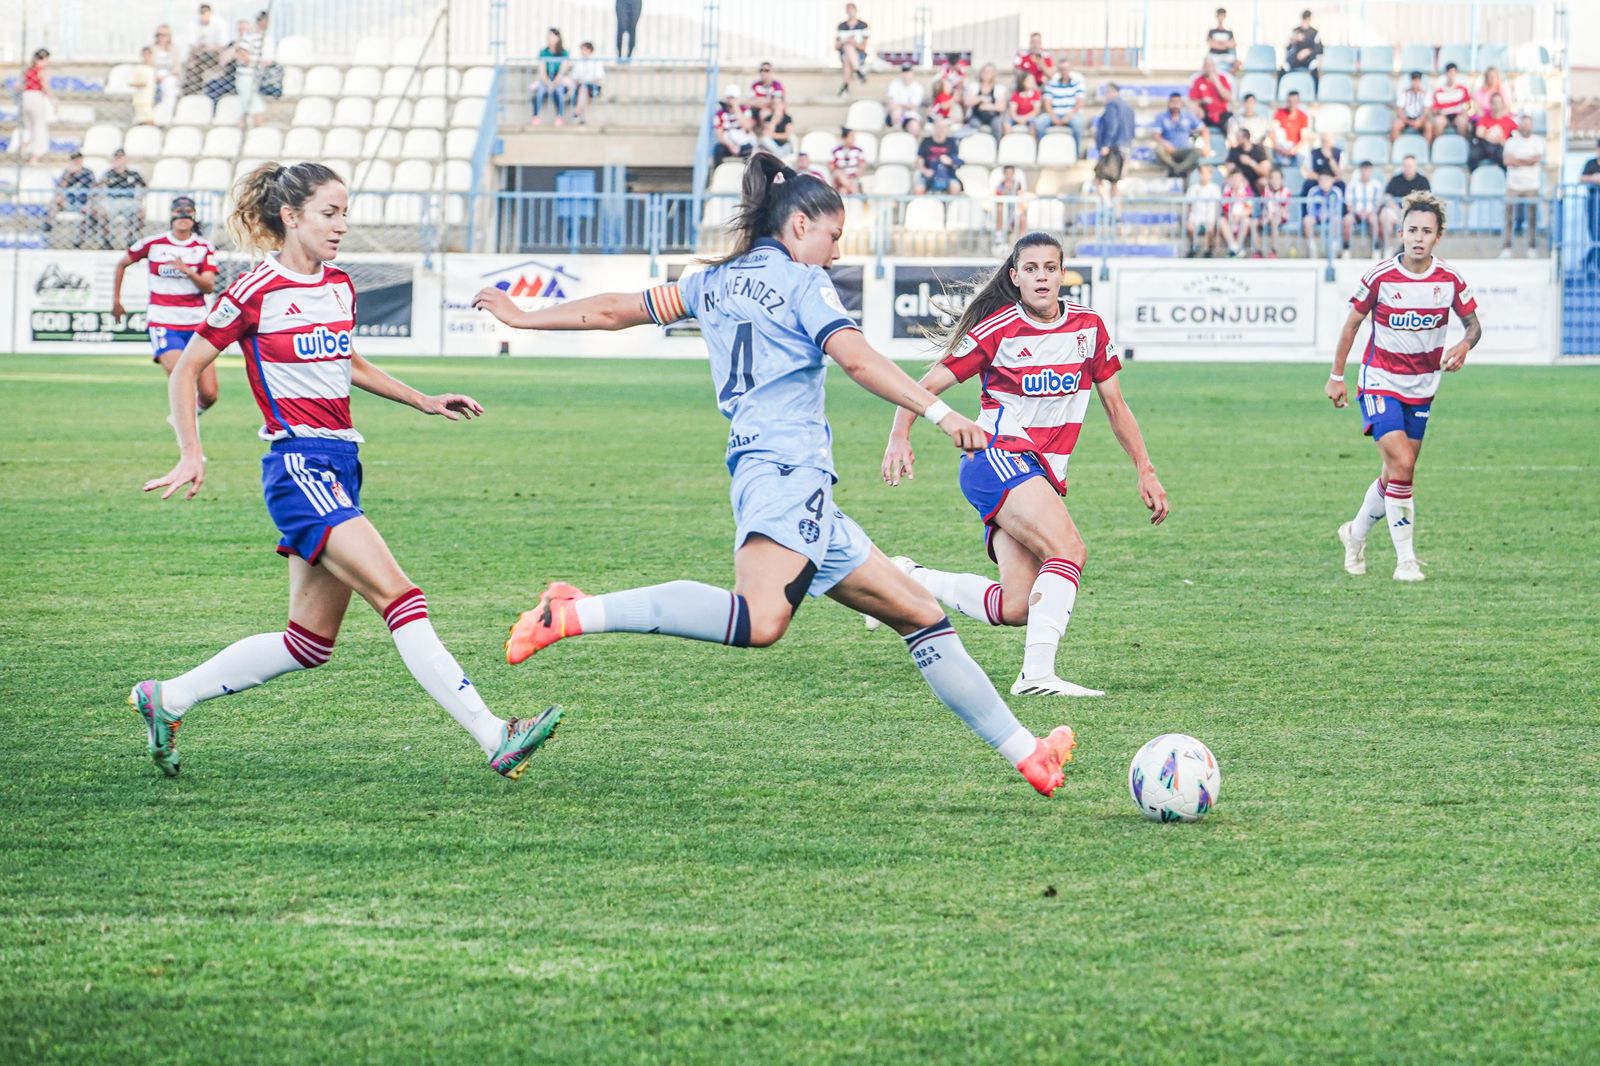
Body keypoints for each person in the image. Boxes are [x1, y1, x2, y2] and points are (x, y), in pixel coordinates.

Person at [474, 152, 1081, 798]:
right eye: (833, 234)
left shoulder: (713, 281)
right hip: (785, 474)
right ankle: (575, 610)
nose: (838, 249)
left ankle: (1028, 754)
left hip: (792, 485)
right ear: (798, 227)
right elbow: (856, 359)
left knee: (920, 613)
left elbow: (614, 311)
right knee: (762, 621)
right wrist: (936, 412)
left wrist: (525, 316)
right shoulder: (801, 282)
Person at [133, 162, 561, 781]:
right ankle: (496, 733)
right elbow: (184, 369)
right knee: (402, 597)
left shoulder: (338, 284)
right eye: (330, 213)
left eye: (345, 213)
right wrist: (190, 451)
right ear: (291, 216)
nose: (342, 225)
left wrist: (423, 399)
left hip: (341, 462)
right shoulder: (252, 292)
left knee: (308, 643)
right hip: (298, 464)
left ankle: (167, 698)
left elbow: (347, 359)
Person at [876, 230, 1168, 696]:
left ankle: (906, 579)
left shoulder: (1089, 329)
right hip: (997, 456)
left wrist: (1145, 469)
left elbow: (1116, 405)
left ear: (1062, 274)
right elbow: (924, 386)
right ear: (1015, 277)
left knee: (1017, 607)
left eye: (1050, 268)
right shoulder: (998, 329)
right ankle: (1036, 677)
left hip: (1038, 472)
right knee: (1069, 550)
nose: (1041, 277)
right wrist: (899, 434)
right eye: (1030, 269)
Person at [1326, 191, 1481, 583]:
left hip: (1423, 385)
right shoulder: (1380, 277)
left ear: (1437, 237)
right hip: (1380, 380)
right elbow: (1352, 324)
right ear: (1400, 232)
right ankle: (1406, 560)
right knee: (1404, 464)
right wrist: (1336, 375)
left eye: (1426, 231)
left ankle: (1355, 533)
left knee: (1397, 471)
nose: (1417, 237)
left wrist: (1464, 345)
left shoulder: (1449, 279)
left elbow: (1474, 325)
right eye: (1411, 229)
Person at [110, 195, 221, 412]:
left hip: (197, 324)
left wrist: (188, 271)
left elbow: (208, 286)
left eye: (188, 210)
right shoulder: (153, 244)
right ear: (171, 215)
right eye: (178, 210)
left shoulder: (203, 247)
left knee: (209, 394)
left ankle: (188, 418)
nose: (183, 214)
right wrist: (116, 300)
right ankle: (186, 432)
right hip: (164, 321)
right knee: (182, 376)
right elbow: (122, 263)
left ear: (194, 215)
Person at [1500, 115, 1544, 257]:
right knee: (1508, 217)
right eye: (1523, 125)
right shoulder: (1511, 142)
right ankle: (1507, 248)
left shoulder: (1538, 141)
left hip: (1532, 185)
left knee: (1532, 218)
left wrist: (1517, 161)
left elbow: (1536, 159)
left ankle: (1532, 248)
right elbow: (1507, 160)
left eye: (1528, 124)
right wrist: (1527, 161)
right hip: (1513, 185)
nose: (1525, 127)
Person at [96, 149, 148, 251]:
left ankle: (130, 237)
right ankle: (106, 240)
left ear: (125, 159)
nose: (118, 160)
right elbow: (98, 186)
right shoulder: (109, 173)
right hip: (112, 201)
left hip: (129, 201)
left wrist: (140, 198)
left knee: (141, 213)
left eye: (121, 157)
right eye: (116, 157)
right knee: (102, 213)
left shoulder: (133, 173)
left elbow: (145, 186)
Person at [1377, 155, 1429, 253]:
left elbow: (1427, 200)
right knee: (1385, 214)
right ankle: (1388, 248)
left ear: (1415, 166)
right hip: (1397, 212)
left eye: (1410, 165)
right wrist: (1396, 209)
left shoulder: (1423, 181)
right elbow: (1387, 196)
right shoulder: (1396, 180)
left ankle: (1414, 250)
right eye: (1406, 165)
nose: (1408, 168)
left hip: (1416, 214)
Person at [1093, 82, 1135, 200]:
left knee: (1099, 179)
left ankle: (1108, 207)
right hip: (1126, 147)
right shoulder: (1128, 107)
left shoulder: (1112, 105)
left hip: (1114, 148)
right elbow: (1132, 130)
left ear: (1112, 92)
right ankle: (1116, 215)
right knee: (1116, 183)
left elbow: (1112, 126)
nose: (1105, 96)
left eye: (1106, 92)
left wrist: (1106, 145)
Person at [1037, 57, 1086, 152]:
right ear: (1058, 70)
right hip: (1054, 113)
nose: (1064, 72)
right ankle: (1044, 151)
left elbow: (1080, 103)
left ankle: (1076, 153)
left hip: (1071, 114)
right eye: (1062, 70)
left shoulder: (1077, 82)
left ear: (1070, 69)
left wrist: (1068, 116)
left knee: (1078, 124)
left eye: (1066, 69)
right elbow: (1047, 104)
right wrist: (1054, 118)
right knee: (1039, 123)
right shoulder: (1052, 82)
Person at [50, 152, 97, 248]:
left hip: (83, 202)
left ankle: (80, 240)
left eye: (78, 159)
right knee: (54, 202)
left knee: (89, 212)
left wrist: (89, 203)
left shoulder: (88, 172)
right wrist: (70, 174)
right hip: (69, 202)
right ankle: (47, 229)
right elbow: (60, 188)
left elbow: (94, 189)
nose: (76, 162)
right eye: (74, 160)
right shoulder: (67, 173)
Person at [1154, 93, 1204, 178]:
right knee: (1158, 150)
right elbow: (1156, 135)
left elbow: (1203, 129)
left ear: (1181, 103)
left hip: (1184, 150)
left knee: (1197, 151)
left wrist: (1206, 144)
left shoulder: (1188, 116)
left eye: (1177, 102)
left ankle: (1177, 169)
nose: (1175, 104)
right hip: (1169, 151)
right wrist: (1165, 143)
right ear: (1168, 103)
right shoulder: (1161, 117)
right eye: (1173, 101)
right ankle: (1176, 168)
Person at [182, 3, 229, 95]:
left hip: (216, 54)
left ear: (210, 13)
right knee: (191, 61)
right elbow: (192, 45)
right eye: (202, 13)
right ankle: (193, 89)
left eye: (206, 13)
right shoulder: (193, 23)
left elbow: (223, 45)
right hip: (199, 54)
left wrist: (210, 47)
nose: (204, 16)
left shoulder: (220, 23)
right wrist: (201, 48)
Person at [18, 49, 54, 166]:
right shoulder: (42, 71)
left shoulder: (28, 71)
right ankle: (34, 157)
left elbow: (18, 85)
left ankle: (24, 148)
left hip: (25, 97)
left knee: (28, 127)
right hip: (36, 97)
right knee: (39, 127)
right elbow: (45, 86)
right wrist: (53, 100)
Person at [1302, 170, 1348, 257]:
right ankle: (1312, 248)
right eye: (1322, 180)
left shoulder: (1337, 192)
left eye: (1327, 180)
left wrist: (1329, 214)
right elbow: (1310, 208)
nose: (1324, 183)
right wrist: (1318, 215)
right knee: (1307, 220)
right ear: (1318, 181)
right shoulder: (1313, 191)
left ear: (1332, 181)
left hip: (1331, 216)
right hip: (1316, 217)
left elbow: (1338, 209)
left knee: (1337, 220)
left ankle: (1334, 247)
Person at [531, 28, 572, 126]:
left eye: (553, 36)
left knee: (559, 91)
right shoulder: (543, 52)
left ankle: (559, 117)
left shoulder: (564, 53)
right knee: (540, 91)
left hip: (558, 80)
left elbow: (562, 71)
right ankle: (535, 116)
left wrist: (554, 84)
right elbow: (542, 70)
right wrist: (547, 83)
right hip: (546, 80)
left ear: (558, 38)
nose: (550, 38)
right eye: (549, 36)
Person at [916, 117, 964, 194]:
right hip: (929, 174)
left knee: (955, 187)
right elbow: (919, 160)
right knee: (918, 189)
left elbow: (956, 161)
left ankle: (949, 205)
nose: (941, 130)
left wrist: (950, 161)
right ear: (934, 128)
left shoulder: (951, 142)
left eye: (943, 127)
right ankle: (921, 205)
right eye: (938, 127)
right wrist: (925, 171)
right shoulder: (926, 141)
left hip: (948, 174)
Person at [1346, 160, 1384, 254]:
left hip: (1370, 213)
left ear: (1371, 171)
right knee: (1347, 221)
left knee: (1374, 221)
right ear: (1360, 171)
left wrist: (1370, 212)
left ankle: (1376, 248)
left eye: (1368, 170)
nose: (1365, 173)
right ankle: (1346, 248)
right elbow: (1349, 204)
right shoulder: (1352, 185)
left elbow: (1378, 204)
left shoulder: (1377, 185)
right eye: (1364, 170)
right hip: (1355, 213)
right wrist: (1356, 212)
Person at [1470, 92, 1516, 170]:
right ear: (1490, 104)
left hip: (1500, 149)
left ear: (1502, 104)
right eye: (1494, 103)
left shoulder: (1509, 121)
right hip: (1485, 147)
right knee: (1473, 155)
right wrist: (1498, 140)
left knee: (1505, 157)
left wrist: (1505, 142)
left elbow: (1518, 135)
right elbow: (1479, 133)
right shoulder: (1484, 118)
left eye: (1498, 102)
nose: (1496, 105)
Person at [1430, 63, 1474, 141]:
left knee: (1463, 123)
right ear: (1446, 74)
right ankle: (1438, 145)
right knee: (1438, 122)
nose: (1451, 75)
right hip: (1444, 115)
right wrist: (1438, 112)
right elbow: (1435, 109)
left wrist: (1464, 111)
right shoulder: (1439, 91)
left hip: (1458, 114)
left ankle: (1464, 145)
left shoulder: (1462, 89)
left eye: (1453, 72)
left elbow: (1468, 104)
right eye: (1450, 72)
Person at [1188, 55, 1233, 132]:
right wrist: (1202, 101)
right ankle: (1195, 137)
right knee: (1193, 111)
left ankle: (1230, 142)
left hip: (1221, 113)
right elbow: (1192, 102)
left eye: (1210, 65)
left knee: (1231, 121)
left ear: (1214, 66)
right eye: (1206, 65)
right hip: (1205, 113)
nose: (1208, 68)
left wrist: (1217, 82)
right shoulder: (1198, 81)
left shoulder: (1222, 79)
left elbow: (1228, 97)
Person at [1185, 164, 1223, 256]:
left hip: (1210, 215)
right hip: (1196, 215)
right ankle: (1194, 247)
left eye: (1207, 173)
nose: (1204, 175)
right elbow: (1188, 204)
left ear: (1210, 174)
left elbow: (1217, 206)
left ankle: (1208, 250)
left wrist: (1216, 220)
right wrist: (1188, 217)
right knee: (1189, 227)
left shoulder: (1215, 188)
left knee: (1210, 229)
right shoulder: (1193, 188)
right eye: (1202, 173)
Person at [963, 63, 1005, 141]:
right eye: (984, 71)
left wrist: (988, 107)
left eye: (989, 72)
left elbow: (1002, 107)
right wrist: (980, 98)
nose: (986, 74)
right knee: (974, 125)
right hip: (977, 116)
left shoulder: (999, 88)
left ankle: (996, 147)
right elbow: (967, 102)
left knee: (997, 125)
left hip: (993, 117)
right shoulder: (974, 86)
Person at [835, 3, 870, 95]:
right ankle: (858, 71)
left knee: (848, 53)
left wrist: (853, 43)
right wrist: (845, 41)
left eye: (852, 10)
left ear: (856, 11)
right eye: (848, 10)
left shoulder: (863, 25)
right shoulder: (841, 26)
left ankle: (845, 86)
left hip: (859, 56)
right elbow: (836, 46)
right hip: (846, 55)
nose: (850, 12)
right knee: (847, 48)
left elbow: (863, 47)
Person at [1220, 167, 1255, 256]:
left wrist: (1240, 216)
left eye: (1239, 178)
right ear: (1230, 179)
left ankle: (1238, 246)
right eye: (1234, 178)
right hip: (1230, 219)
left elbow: (1250, 207)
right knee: (1221, 221)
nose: (1236, 181)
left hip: (1241, 219)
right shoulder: (1226, 190)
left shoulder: (1247, 190)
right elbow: (1224, 207)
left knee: (1246, 220)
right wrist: (1231, 216)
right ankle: (1234, 247)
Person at [1226, 125, 1270, 194]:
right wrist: (1241, 178)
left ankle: (1265, 203)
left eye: (1238, 137)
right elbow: (1230, 168)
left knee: (1264, 182)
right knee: (1230, 181)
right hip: (1240, 180)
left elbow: (1265, 172)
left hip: (1256, 180)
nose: (1236, 139)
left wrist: (1250, 162)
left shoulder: (1258, 150)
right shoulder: (1234, 150)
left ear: (1245, 138)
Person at [1271, 89, 1310, 166]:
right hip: (1282, 145)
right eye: (1289, 101)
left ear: (1298, 102)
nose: (1292, 104)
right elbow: (1272, 131)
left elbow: (1304, 138)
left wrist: (1293, 150)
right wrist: (1279, 148)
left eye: (1294, 101)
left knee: (1304, 150)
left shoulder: (1303, 116)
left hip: (1295, 146)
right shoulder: (1280, 112)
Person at [885, 63, 926, 134]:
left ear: (912, 73)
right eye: (904, 72)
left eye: (908, 72)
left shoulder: (918, 87)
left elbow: (913, 106)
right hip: (893, 115)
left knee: (914, 127)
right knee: (897, 111)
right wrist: (902, 106)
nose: (906, 75)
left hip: (910, 115)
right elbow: (891, 103)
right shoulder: (894, 84)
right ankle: (897, 133)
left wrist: (899, 105)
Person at [570, 41, 605, 124]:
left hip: (594, 87)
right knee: (582, 88)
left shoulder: (596, 61)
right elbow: (575, 76)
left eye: (583, 49)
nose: (581, 52)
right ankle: (581, 117)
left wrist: (586, 81)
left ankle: (577, 112)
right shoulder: (579, 61)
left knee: (584, 87)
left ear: (589, 50)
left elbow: (599, 77)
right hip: (581, 86)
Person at [1260, 167, 1291, 256]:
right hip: (1267, 215)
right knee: (1254, 223)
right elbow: (1264, 207)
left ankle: (1273, 250)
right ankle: (1258, 251)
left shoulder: (1286, 191)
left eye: (1277, 178)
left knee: (1274, 221)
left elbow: (1283, 209)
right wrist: (1265, 217)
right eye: (1272, 178)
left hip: (1281, 216)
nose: (1274, 181)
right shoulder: (1265, 190)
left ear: (1282, 180)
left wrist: (1270, 216)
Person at [1391, 70, 1429, 142]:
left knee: (1428, 126)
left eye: (1417, 80)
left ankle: (1426, 148)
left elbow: (1426, 111)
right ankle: (1398, 147)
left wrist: (1420, 121)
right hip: (1406, 118)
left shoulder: (1425, 93)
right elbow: (1400, 109)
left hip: (1419, 119)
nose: (1415, 83)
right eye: (1414, 80)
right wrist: (1406, 121)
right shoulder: (1405, 93)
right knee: (1396, 126)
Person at [993, 165, 1027, 243]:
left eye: (1011, 173)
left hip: (1014, 208)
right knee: (1000, 210)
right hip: (1005, 208)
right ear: (1004, 174)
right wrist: (1006, 189)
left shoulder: (1017, 184)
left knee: (1022, 217)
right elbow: (998, 198)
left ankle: (1022, 238)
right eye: (1007, 173)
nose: (1009, 175)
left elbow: (1020, 195)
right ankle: (999, 235)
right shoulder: (1000, 185)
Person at [1006, 71, 1044, 136]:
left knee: (1033, 123)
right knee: (1006, 122)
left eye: (1032, 80)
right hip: (1017, 117)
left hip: (1030, 117)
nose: (1031, 82)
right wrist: (1017, 119)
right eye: (1029, 80)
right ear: (1022, 81)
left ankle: (1033, 142)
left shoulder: (1035, 94)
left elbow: (1036, 111)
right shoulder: (1016, 94)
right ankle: (1007, 141)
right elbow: (1012, 111)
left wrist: (1024, 119)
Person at [830, 128, 866, 194]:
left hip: (853, 178)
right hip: (840, 179)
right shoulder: (835, 151)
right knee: (838, 173)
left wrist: (854, 177)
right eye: (852, 137)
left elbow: (862, 165)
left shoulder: (858, 150)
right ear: (845, 138)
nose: (854, 139)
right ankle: (856, 192)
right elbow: (832, 167)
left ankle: (851, 188)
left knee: (843, 191)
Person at [1286, 9, 1321, 75]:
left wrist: (1308, 51)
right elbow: (1288, 48)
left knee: (1314, 67)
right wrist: (1293, 41)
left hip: (1309, 59)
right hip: (1296, 58)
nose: (1306, 22)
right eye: (1304, 20)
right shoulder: (1295, 31)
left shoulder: (1314, 32)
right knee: (1284, 68)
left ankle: (1314, 85)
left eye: (1308, 20)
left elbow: (1319, 49)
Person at [152, 25, 181, 104]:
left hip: (169, 75)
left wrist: (164, 77)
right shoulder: (152, 48)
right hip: (155, 75)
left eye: (163, 35)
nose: (160, 37)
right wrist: (155, 75)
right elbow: (149, 66)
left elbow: (176, 68)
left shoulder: (175, 49)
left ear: (169, 36)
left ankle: (167, 110)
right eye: (158, 35)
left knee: (168, 85)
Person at [129, 46, 158, 126]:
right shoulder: (138, 68)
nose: (147, 57)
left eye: (149, 55)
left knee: (145, 121)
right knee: (148, 121)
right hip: (141, 99)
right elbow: (132, 83)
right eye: (145, 55)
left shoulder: (152, 68)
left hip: (149, 98)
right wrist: (141, 84)